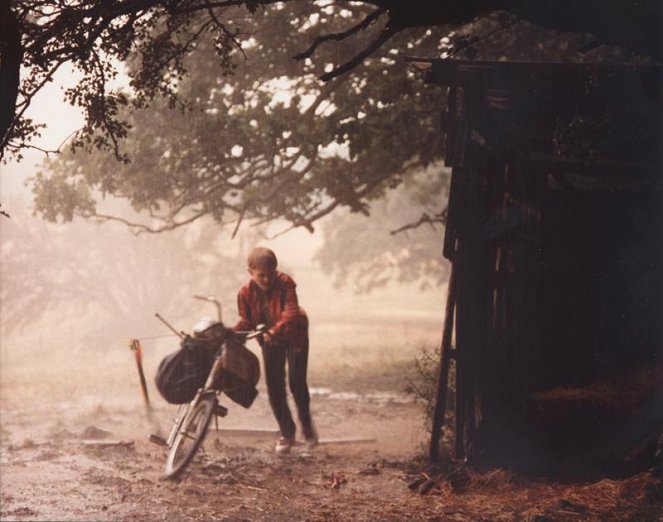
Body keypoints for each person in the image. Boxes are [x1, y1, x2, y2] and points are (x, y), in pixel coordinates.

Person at [234, 247, 317, 454]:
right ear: (250, 272)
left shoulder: (286, 282)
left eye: (270, 274)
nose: (267, 279)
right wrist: (232, 334)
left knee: (297, 383)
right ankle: (287, 433)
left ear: (276, 271)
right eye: (261, 275)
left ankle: (307, 428)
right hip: (269, 340)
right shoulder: (244, 293)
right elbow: (246, 321)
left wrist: (273, 330)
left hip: (294, 335)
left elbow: (291, 312)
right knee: (274, 388)